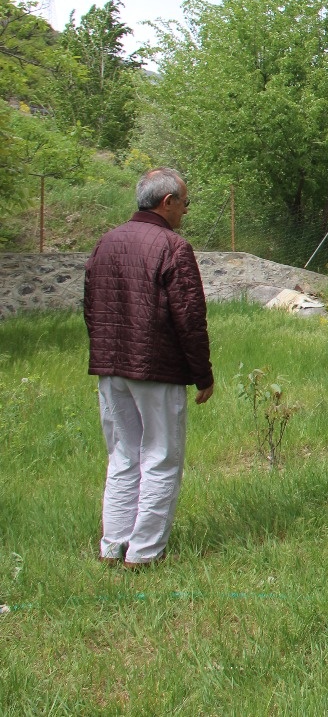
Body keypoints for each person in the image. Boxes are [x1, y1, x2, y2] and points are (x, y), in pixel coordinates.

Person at [84, 168, 215, 570]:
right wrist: (203, 373)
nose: (185, 212)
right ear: (167, 202)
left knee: (123, 455)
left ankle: (113, 546)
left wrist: (106, 351)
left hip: (111, 368)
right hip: (156, 370)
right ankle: (143, 553)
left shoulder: (105, 242)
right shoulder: (173, 247)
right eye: (184, 204)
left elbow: (90, 306)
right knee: (160, 457)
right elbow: (189, 317)